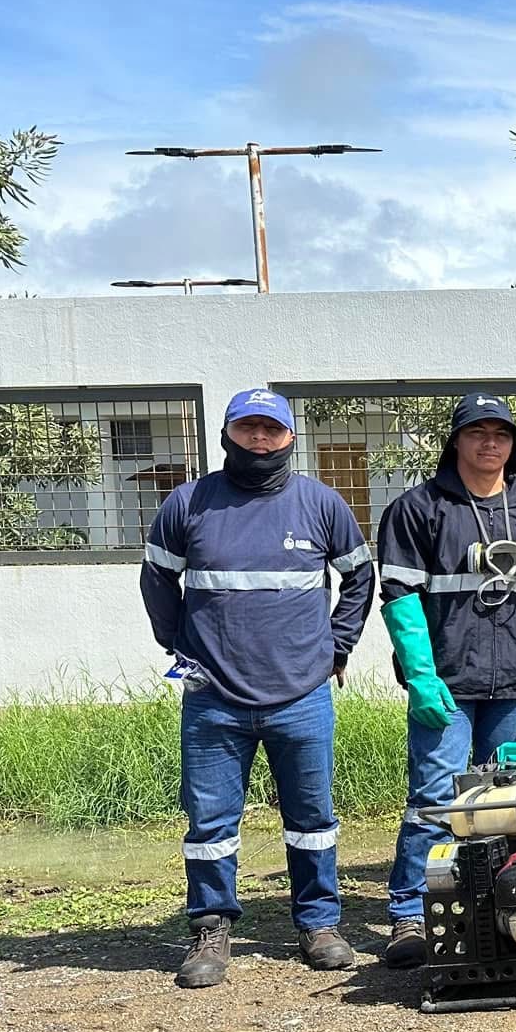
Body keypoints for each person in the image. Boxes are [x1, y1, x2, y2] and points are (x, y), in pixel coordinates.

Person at [140, 388, 375, 988]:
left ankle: (319, 924)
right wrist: (180, 647)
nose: (260, 440)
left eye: (271, 430)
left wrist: (337, 647)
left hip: (301, 696)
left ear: (290, 437)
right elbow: (158, 580)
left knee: (313, 817)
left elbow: (359, 577)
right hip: (212, 698)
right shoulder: (188, 503)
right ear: (227, 434)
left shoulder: (321, 503)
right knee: (210, 823)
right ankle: (211, 928)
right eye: (248, 428)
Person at [378, 392, 516, 968]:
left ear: (514, 444)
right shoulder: (420, 508)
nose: (490, 443)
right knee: (435, 800)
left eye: (501, 434)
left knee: (506, 802)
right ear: (456, 440)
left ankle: (498, 908)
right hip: (447, 684)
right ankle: (410, 914)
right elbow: (400, 597)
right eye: (477, 433)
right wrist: (421, 676)